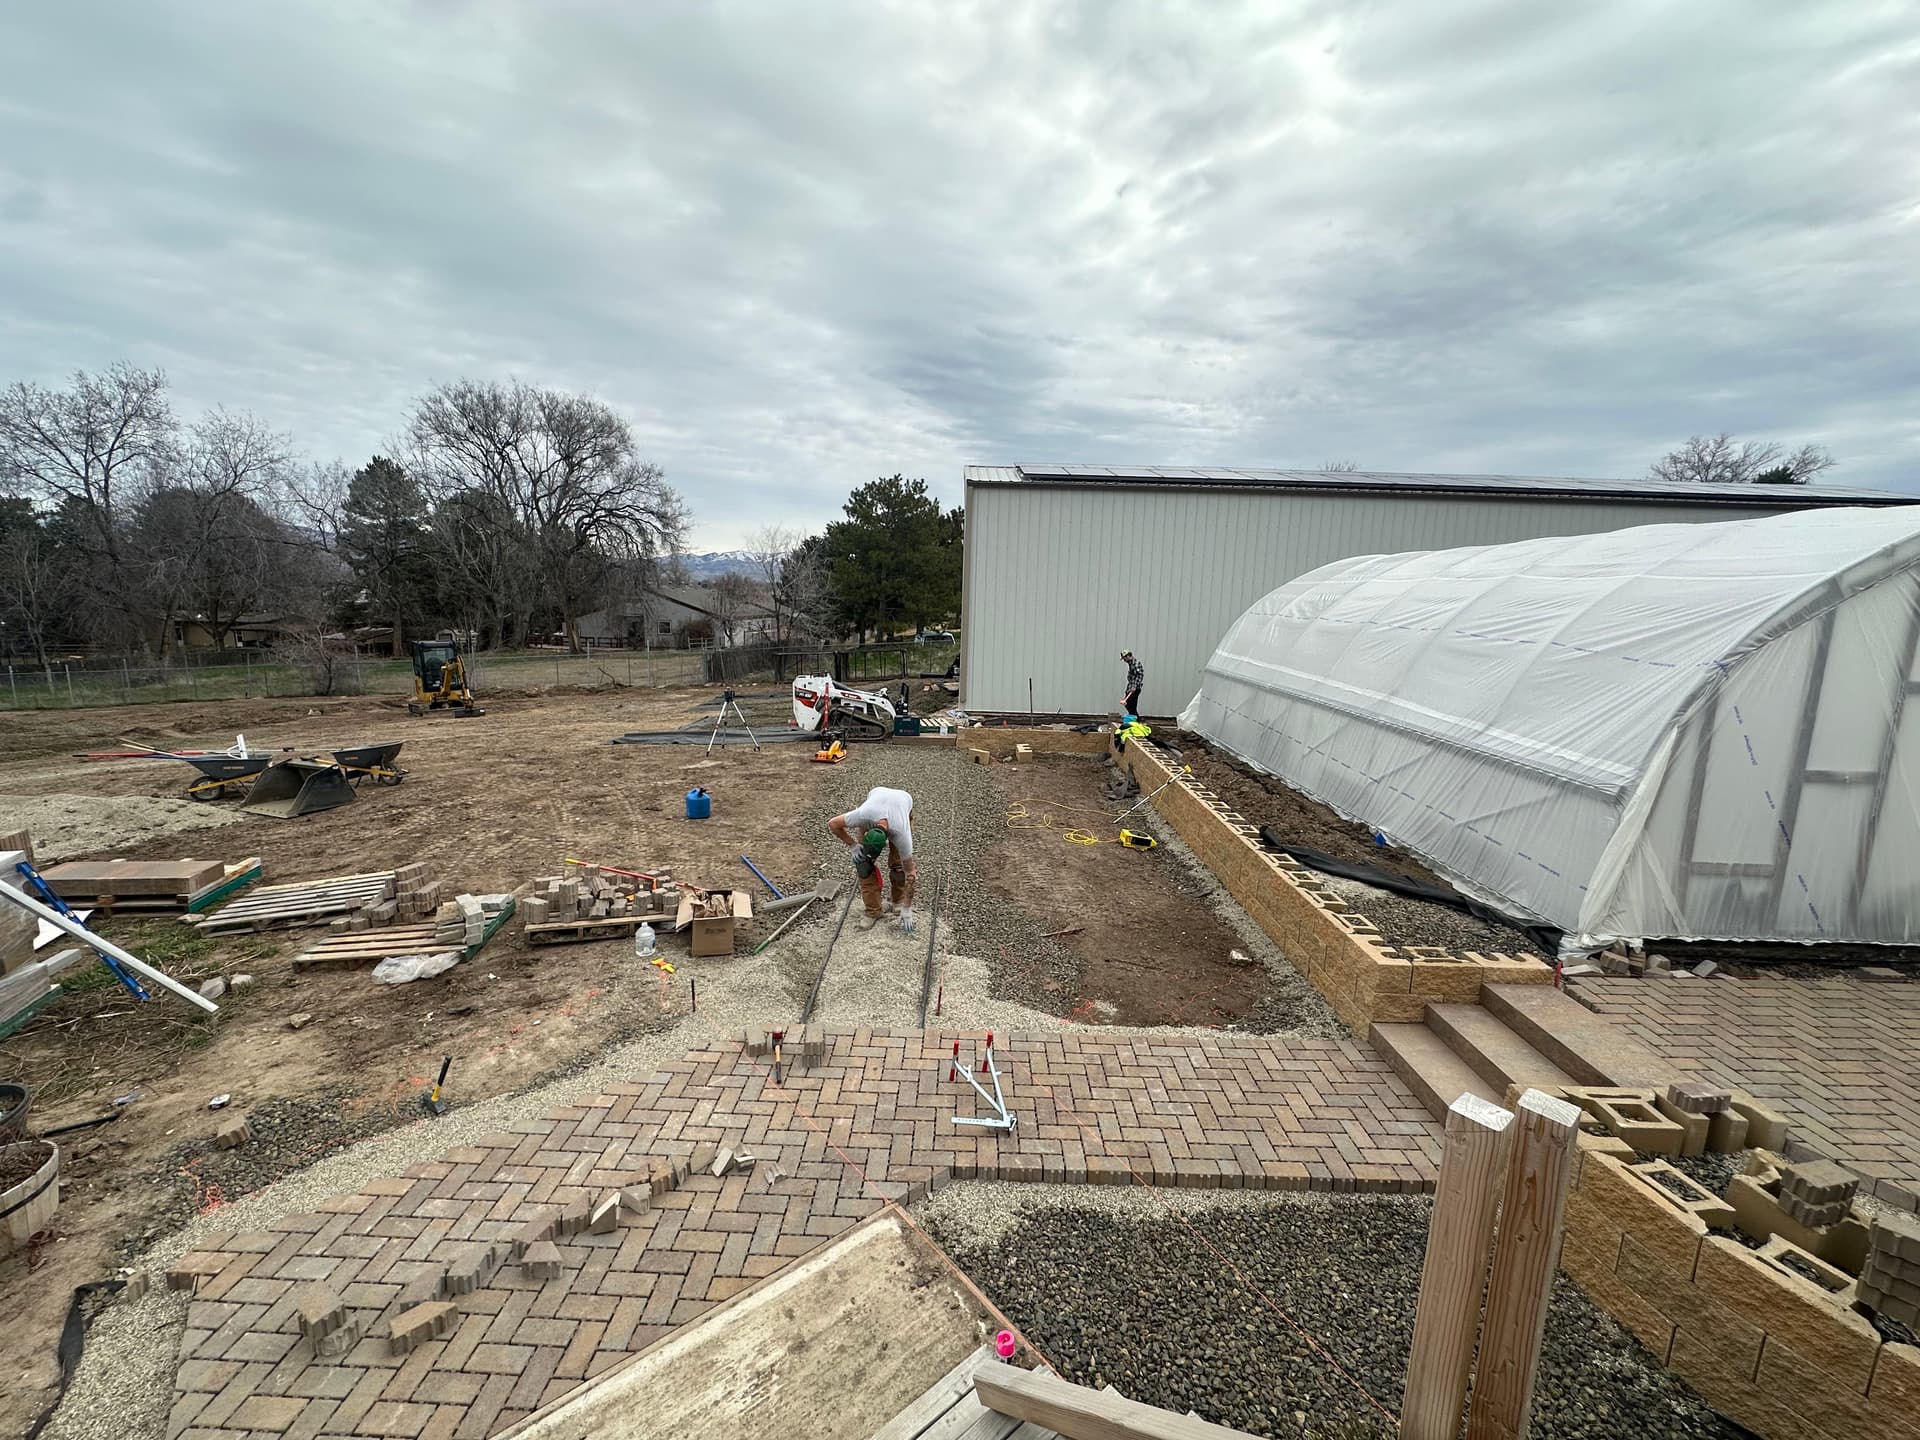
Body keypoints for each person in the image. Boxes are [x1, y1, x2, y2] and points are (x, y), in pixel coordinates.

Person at [828, 785, 916, 932]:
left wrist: (907, 907)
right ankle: (873, 911)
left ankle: (899, 901)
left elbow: (911, 873)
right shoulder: (862, 816)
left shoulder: (901, 833)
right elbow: (833, 824)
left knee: (898, 866)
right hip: (876, 799)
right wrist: (854, 846)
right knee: (863, 865)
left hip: (903, 802)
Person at [1120, 648, 1144, 717]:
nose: (1124, 660)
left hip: (1135, 688)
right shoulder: (1131, 664)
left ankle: (1136, 719)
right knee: (1129, 705)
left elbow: (1139, 675)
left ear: (1128, 656)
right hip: (1130, 687)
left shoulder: (1136, 664)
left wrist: (1134, 686)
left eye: (1124, 658)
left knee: (1130, 704)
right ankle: (1134, 718)